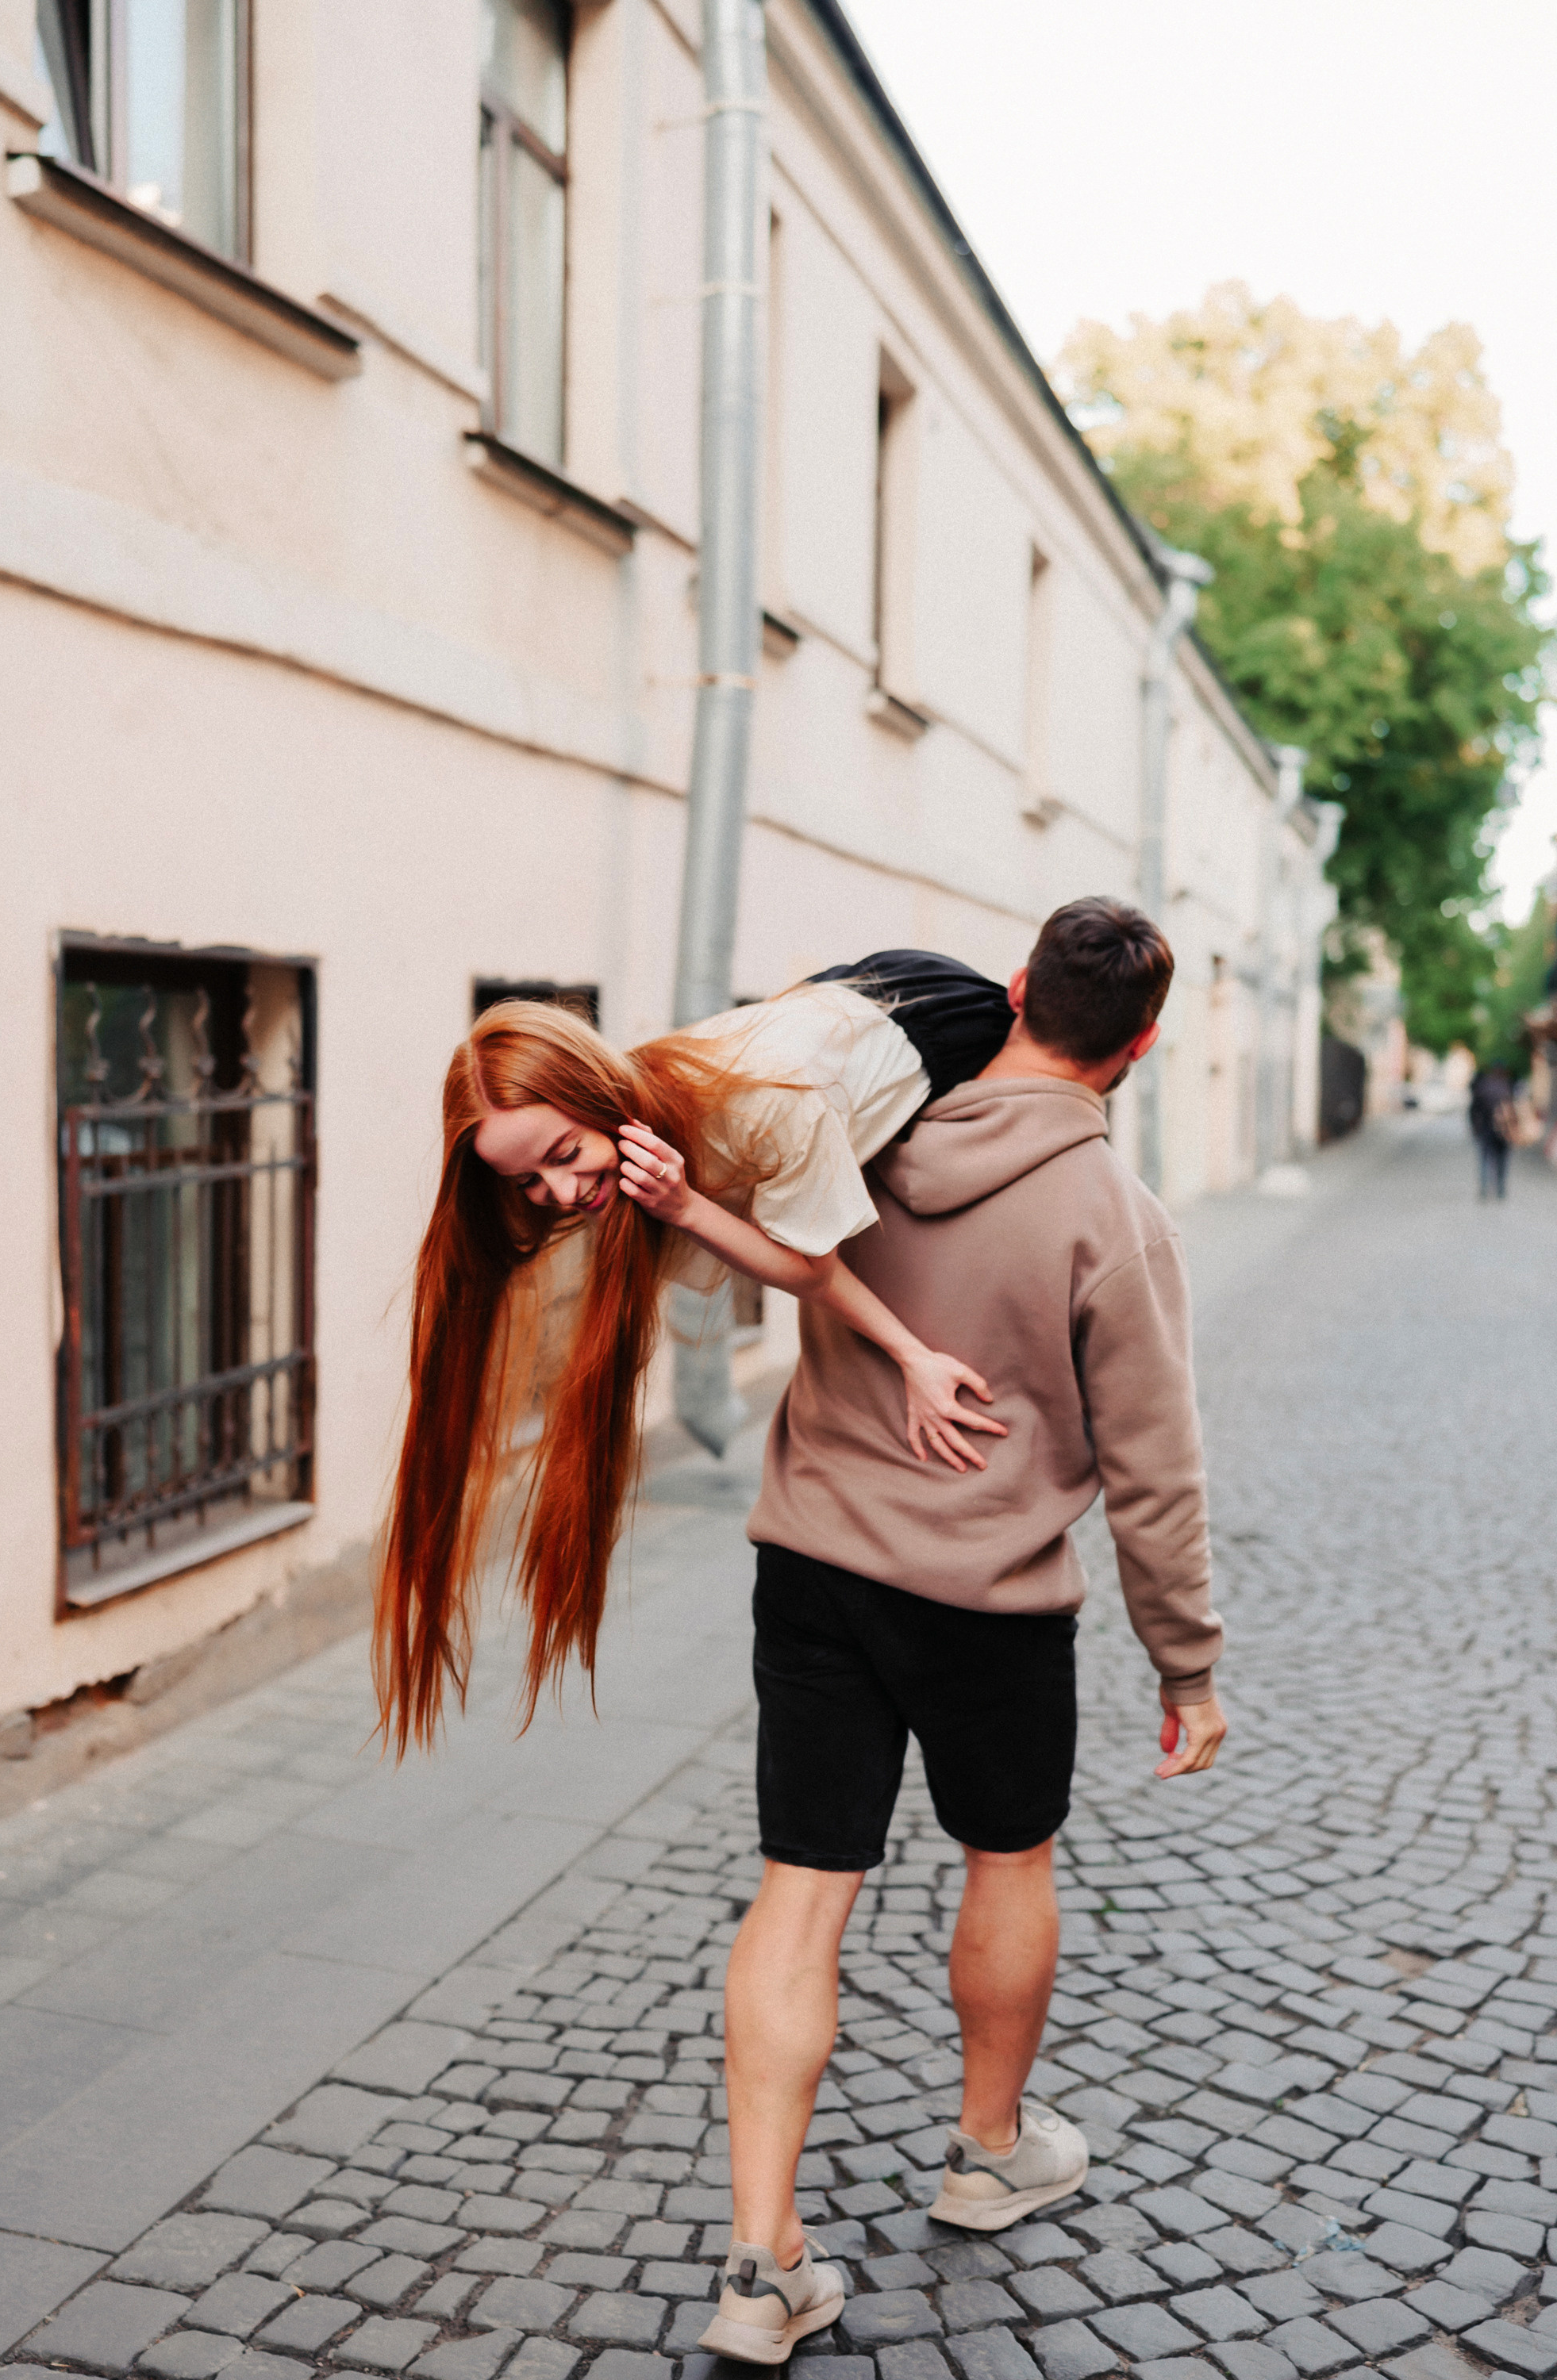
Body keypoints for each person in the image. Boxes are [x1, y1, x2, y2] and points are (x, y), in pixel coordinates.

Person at [697, 897, 1227, 2364]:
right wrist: (1186, 1662)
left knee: (801, 1890)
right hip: (990, 1604)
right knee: (1010, 1859)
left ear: (1011, 993)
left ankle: (759, 2263)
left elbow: (767, 1243)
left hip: (812, 1566)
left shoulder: (864, 1143)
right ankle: (987, 2151)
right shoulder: (1115, 1224)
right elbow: (1152, 1470)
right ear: (1142, 1048)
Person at [375, 953, 1017, 1750]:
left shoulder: (760, 1104)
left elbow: (810, 1269)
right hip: (840, 1008)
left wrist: (908, 1354)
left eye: (565, 1155)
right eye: (528, 1184)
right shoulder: (644, 1123)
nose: (562, 1194)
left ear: (599, 1100)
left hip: (935, 1017)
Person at [1469, 1062, 1514, 1200]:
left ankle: (1484, 1189)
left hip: (1486, 1129)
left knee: (1485, 1159)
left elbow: (1473, 1109)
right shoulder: (1508, 1086)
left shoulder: (1483, 1086)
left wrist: (1475, 1127)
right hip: (1504, 1130)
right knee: (1502, 1160)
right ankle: (1500, 1189)